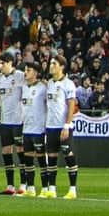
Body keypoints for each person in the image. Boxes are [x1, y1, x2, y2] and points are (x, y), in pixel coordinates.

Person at [45, 58, 81, 199]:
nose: (51, 66)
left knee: (67, 154)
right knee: (52, 157)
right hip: (51, 126)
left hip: (62, 126)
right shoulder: (49, 83)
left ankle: (72, 189)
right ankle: (52, 189)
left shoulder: (68, 84)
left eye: (54, 64)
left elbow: (71, 105)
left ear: (62, 67)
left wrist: (67, 125)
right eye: (51, 63)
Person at [0, 54, 27, 195]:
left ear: (10, 63)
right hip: (5, 121)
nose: (0, 66)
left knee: (20, 151)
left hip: (18, 121)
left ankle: (24, 184)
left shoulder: (20, 76)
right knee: (6, 152)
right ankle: (10, 186)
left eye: (2, 63)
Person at [20, 62, 48, 199]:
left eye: (29, 70)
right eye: (25, 70)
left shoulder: (43, 88)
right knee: (28, 160)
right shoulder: (24, 87)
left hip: (39, 129)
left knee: (42, 159)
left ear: (36, 73)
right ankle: (30, 188)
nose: (26, 73)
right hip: (27, 129)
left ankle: (45, 188)